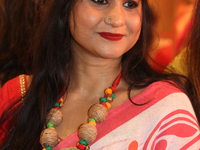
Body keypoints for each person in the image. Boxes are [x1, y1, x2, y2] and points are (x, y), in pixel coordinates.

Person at [0, 0, 199, 149]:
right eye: (100, 0)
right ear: (66, 6)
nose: (117, 19)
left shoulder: (165, 108)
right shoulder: (18, 95)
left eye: (130, 4)